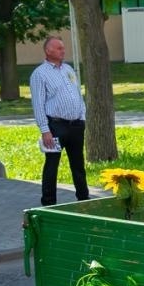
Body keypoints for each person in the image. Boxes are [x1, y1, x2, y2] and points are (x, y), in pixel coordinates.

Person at [30, 36, 88, 207]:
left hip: (76, 125)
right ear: (48, 51)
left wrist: (82, 117)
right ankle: (49, 203)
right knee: (52, 164)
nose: (63, 51)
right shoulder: (40, 74)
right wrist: (45, 130)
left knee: (78, 164)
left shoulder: (68, 69)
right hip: (55, 126)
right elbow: (38, 104)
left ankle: (84, 199)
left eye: (63, 47)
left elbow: (77, 94)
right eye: (59, 48)